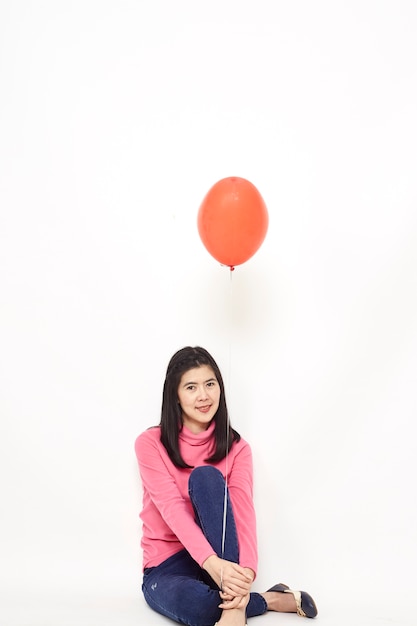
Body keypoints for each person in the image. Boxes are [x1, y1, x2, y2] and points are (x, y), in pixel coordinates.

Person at [134, 346, 318, 626]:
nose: (203, 395)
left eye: (210, 384)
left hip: (221, 562)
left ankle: (234, 607)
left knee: (206, 477)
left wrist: (245, 573)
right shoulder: (150, 443)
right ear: (175, 395)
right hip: (167, 566)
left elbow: (243, 512)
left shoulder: (238, 448)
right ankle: (266, 600)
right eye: (191, 387)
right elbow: (172, 509)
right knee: (201, 608)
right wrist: (215, 568)